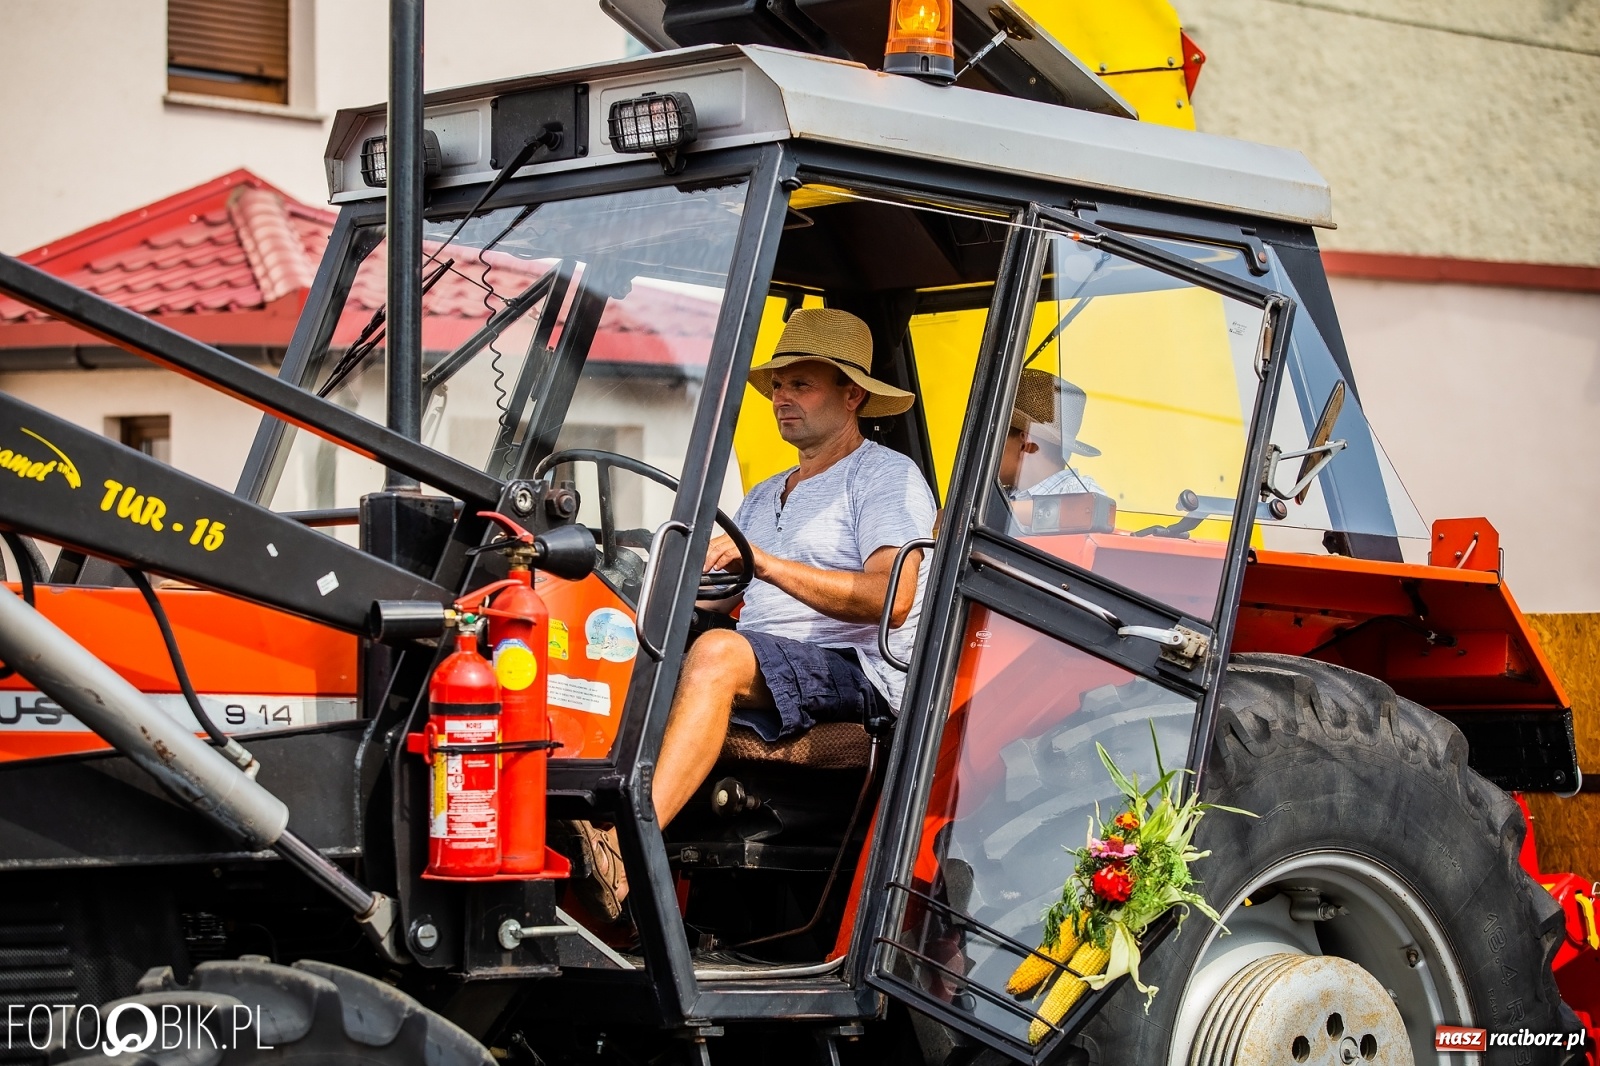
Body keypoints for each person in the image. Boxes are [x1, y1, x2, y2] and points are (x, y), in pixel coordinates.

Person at [571, 308, 938, 921]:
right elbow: (720, 595)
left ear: (852, 395)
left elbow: (891, 599)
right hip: (767, 663)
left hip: (856, 673)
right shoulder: (768, 492)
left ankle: (622, 853)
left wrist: (765, 563)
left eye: (802, 384)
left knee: (717, 655)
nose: (782, 399)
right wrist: (632, 582)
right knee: (617, 643)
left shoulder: (884, 477)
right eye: (778, 385)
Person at [997, 369, 1104, 528]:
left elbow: (1092, 512)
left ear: (1027, 445)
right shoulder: (1004, 493)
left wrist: (993, 511)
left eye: (997, 440)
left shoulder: (1079, 491)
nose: (988, 451)